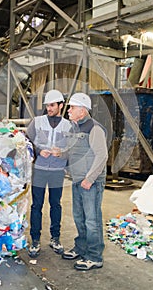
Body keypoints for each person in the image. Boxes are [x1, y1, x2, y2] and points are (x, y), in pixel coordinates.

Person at [62, 92, 108, 271]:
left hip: (90, 183)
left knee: (92, 220)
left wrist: (89, 179)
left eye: (72, 108)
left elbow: (102, 156)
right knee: (79, 217)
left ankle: (94, 256)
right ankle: (81, 248)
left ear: (82, 110)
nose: (69, 111)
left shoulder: (94, 128)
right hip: (77, 180)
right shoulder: (75, 128)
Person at [26, 89, 71, 257]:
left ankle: (55, 238)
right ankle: (35, 240)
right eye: (47, 105)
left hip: (57, 172)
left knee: (56, 205)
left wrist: (62, 154)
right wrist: (38, 151)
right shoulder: (36, 122)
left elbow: (73, 149)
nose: (49, 108)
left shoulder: (68, 125)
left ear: (60, 105)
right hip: (39, 170)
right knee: (36, 205)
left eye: (52, 105)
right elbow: (26, 142)